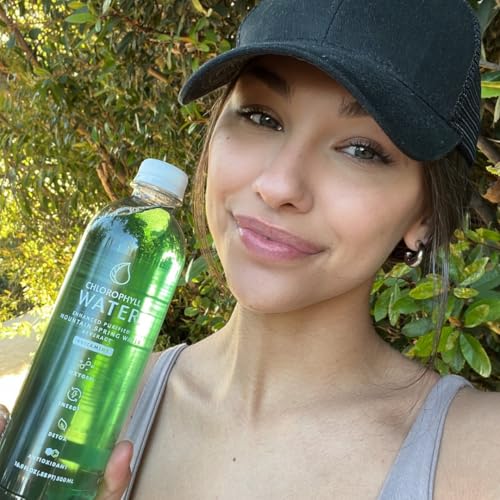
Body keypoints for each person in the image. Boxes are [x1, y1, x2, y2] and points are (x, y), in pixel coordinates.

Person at [1, 0, 499, 498]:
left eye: (361, 150)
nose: (279, 185)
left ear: (424, 215)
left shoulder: (481, 458)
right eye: (262, 118)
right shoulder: (90, 409)